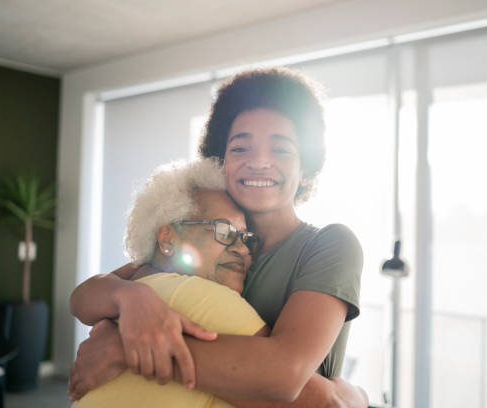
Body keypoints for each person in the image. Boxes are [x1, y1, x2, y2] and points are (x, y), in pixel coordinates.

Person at [69, 67, 368, 407]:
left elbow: (284, 376)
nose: (258, 162)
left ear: (305, 169)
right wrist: (129, 298)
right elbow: (84, 297)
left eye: (281, 149)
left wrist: (129, 348)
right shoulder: (206, 240)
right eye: (241, 148)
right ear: (221, 161)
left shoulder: (329, 246)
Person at [74, 158, 269, 408]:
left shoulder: (141, 286)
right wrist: (336, 389)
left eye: (244, 237)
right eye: (224, 231)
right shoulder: (203, 297)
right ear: (168, 238)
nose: (242, 248)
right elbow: (317, 401)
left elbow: (80, 297)